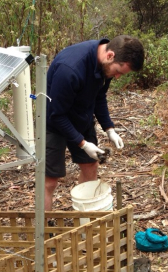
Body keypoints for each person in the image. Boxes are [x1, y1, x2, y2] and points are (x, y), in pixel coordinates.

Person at [45, 35, 145, 210]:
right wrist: (83, 144)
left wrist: (109, 129)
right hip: (54, 121)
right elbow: (57, 115)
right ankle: (43, 231)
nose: (118, 77)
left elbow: (99, 96)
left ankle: (85, 219)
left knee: (91, 166)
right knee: (49, 181)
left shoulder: (106, 65)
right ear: (110, 55)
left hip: (82, 117)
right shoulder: (70, 69)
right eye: (119, 72)